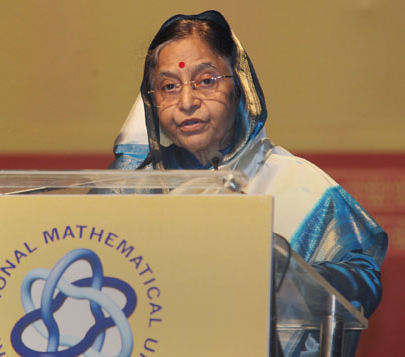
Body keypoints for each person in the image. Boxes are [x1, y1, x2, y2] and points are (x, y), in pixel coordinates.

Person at [110, 10, 387, 356]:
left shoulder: (296, 184)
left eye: (206, 80)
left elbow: (364, 282)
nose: (186, 102)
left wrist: (287, 276)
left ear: (239, 86)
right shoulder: (129, 193)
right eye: (168, 86)